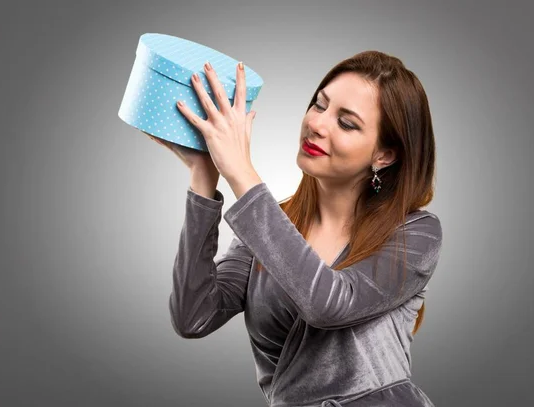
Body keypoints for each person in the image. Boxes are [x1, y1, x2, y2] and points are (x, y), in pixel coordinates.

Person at [147, 50, 442, 406]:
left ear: (384, 155)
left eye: (346, 123)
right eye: (319, 105)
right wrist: (203, 176)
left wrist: (241, 172)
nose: (317, 124)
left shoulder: (417, 235)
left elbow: (329, 304)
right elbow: (193, 317)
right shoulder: (270, 225)